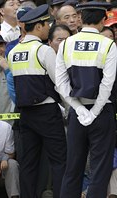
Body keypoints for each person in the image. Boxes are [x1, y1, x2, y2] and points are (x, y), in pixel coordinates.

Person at [55, 1, 117, 198]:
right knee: (100, 169)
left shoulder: (66, 44)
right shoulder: (109, 44)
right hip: (101, 112)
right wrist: (94, 112)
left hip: (77, 112)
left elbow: (61, 84)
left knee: (73, 168)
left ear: (81, 17)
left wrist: (80, 110)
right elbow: (107, 84)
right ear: (103, 19)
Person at [8, 4, 67, 198]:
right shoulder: (44, 51)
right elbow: (60, 84)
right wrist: (69, 108)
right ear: (39, 26)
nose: (49, 28)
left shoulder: (14, 52)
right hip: (47, 111)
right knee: (59, 160)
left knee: (29, 162)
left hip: (25, 113)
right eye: (47, 24)